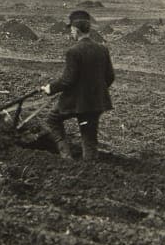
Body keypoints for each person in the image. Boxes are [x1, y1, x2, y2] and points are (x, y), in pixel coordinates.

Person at [41, 9, 115, 162]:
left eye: (71, 30)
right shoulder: (102, 49)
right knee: (88, 135)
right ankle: (90, 166)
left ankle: (66, 158)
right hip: (95, 102)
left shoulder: (73, 51)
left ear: (76, 30)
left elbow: (67, 80)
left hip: (76, 102)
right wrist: (94, 91)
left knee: (53, 120)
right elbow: (110, 77)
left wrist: (50, 88)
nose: (71, 33)